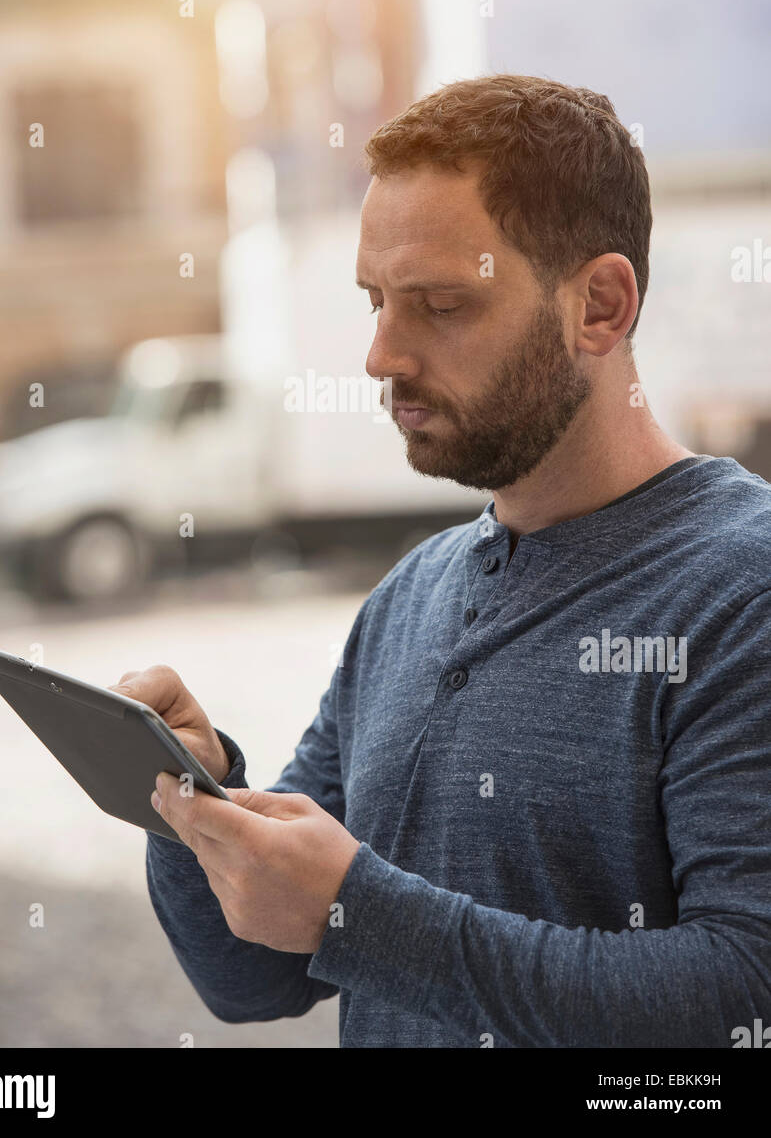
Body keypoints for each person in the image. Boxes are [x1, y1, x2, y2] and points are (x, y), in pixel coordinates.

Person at [112, 74, 771, 1047]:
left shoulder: (740, 593)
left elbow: (741, 998)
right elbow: (254, 971)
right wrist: (189, 795)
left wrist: (363, 915)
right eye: (376, 301)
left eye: (439, 304)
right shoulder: (410, 599)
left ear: (600, 304)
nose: (381, 354)